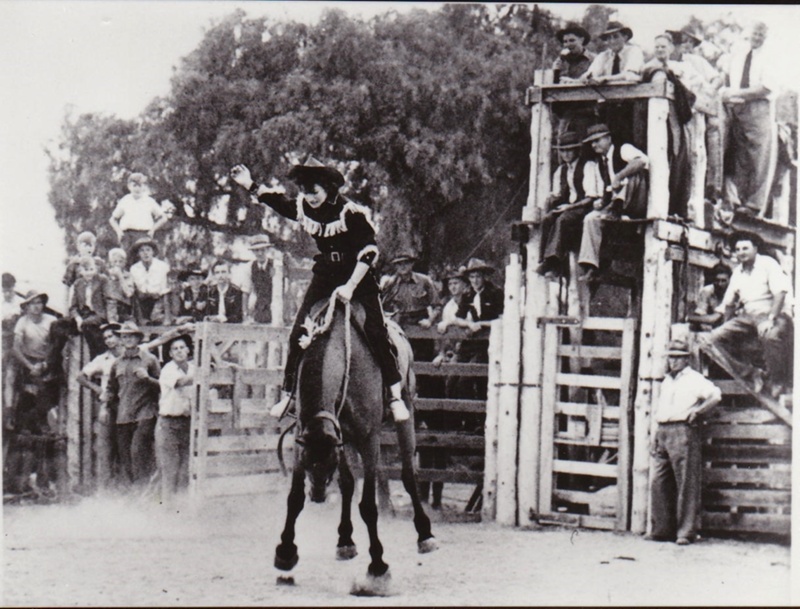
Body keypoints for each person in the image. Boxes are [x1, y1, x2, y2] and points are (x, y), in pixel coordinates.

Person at [230, 157, 410, 422]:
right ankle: (289, 394)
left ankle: (394, 395)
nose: (309, 197)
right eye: (304, 191)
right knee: (298, 332)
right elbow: (280, 203)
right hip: (326, 274)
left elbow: (370, 251)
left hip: (358, 275)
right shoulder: (305, 205)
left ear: (327, 187)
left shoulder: (351, 212)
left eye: (314, 191)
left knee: (375, 330)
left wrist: (350, 287)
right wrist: (250, 184)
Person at [648, 338, 721, 546]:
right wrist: (656, 435)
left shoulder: (694, 379)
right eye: (671, 357)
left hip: (683, 431)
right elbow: (661, 411)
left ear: (686, 359)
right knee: (659, 482)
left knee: (686, 483)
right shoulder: (667, 381)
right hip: (664, 430)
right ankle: (662, 529)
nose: (674, 361)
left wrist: (698, 411)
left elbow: (716, 395)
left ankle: (685, 532)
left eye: (678, 358)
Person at [704, 232, 793, 398]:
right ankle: (751, 372)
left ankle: (777, 380)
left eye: (745, 248)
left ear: (755, 249)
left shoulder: (768, 264)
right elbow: (729, 304)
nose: (741, 252)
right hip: (747, 316)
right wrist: (726, 325)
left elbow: (780, 293)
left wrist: (770, 319)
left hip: (772, 312)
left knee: (770, 335)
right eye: (737, 249)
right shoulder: (737, 272)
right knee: (711, 339)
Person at [577, 123, 649, 282]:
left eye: (598, 140)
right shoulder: (600, 163)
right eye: (592, 142)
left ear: (608, 138)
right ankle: (591, 266)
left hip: (636, 201)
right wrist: (601, 202)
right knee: (590, 218)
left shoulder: (623, 149)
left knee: (632, 174)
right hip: (614, 205)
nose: (594, 145)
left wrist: (619, 176)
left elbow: (642, 161)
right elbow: (607, 189)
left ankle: (617, 209)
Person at [721, 22, 776, 217]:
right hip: (736, 106)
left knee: (758, 156)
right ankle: (739, 201)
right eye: (755, 34)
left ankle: (754, 204)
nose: (757, 38)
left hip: (757, 106)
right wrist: (725, 93)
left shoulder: (769, 56)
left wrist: (736, 93)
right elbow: (726, 78)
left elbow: (765, 88)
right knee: (740, 154)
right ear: (749, 33)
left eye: (761, 35)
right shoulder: (739, 53)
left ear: (765, 36)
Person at [7, 291, 58, 494]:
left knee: (47, 410)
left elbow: (56, 346)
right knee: (22, 399)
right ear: (26, 307)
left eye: (39, 303)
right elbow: (16, 348)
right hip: (28, 365)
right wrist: (30, 366)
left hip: (48, 365)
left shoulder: (51, 320)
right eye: (32, 304)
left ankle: (47, 479)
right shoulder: (22, 323)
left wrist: (46, 364)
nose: (36, 307)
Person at [536, 132, 603, 279]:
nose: (566, 154)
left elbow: (591, 197)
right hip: (568, 207)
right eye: (562, 150)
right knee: (547, 219)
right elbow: (558, 194)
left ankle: (555, 262)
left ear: (576, 150)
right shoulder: (561, 170)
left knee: (563, 220)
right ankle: (545, 260)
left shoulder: (588, 166)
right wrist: (552, 199)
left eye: (569, 150)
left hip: (584, 208)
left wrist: (569, 207)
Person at [105, 321, 161, 489]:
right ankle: (135, 490)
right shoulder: (117, 363)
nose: (128, 339)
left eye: (131, 336)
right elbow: (111, 389)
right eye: (124, 336)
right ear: (121, 340)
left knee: (137, 451)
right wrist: (104, 404)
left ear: (138, 338)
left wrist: (147, 378)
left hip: (145, 413)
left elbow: (163, 385)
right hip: (123, 416)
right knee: (125, 456)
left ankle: (143, 489)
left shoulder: (150, 360)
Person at [76, 323, 124, 490]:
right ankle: (105, 489)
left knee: (126, 449)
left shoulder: (131, 355)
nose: (109, 340)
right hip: (109, 406)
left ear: (119, 336)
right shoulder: (102, 359)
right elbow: (80, 376)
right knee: (105, 448)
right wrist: (97, 389)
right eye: (106, 338)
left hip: (130, 407)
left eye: (111, 336)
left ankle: (125, 488)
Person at [457, 258, 504, 406]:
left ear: (484, 276)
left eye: (478, 276)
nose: (475, 280)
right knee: (456, 377)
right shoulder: (467, 295)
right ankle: (468, 420)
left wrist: (481, 324)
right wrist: (469, 324)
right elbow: (458, 318)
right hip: (470, 344)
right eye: (472, 277)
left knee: (479, 378)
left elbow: (503, 319)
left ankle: (481, 421)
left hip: (488, 343)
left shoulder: (495, 293)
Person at [156, 335, 194, 502]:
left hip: (188, 423)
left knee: (186, 468)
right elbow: (181, 383)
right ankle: (168, 509)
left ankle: (181, 508)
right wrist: (206, 371)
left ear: (188, 350)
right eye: (175, 349)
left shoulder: (193, 368)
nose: (179, 351)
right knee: (170, 468)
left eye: (182, 347)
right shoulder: (168, 370)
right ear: (170, 354)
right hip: (169, 424)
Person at [109, 173, 168, 256]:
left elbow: (163, 218)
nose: (137, 188)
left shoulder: (149, 201)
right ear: (129, 186)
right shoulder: (126, 200)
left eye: (140, 185)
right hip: (128, 235)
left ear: (144, 186)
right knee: (127, 259)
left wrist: (153, 229)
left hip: (144, 235)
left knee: (142, 259)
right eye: (134, 185)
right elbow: (113, 219)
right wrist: (119, 231)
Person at [382, 253, 440, 330]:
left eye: (406, 263)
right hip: (399, 324)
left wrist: (429, 321)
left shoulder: (424, 281)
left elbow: (437, 305)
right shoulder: (391, 283)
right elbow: (381, 305)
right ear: (395, 266)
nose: (402, 266)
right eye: (399, 264)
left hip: (421, 324)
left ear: (412, 264)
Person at [580, 21, 644, 84]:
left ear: (625, 37)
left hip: (633, 92)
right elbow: (592, 74)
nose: (612, 41)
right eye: (609, 38)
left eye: (616, 37)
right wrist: (587, 76)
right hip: (608, 93)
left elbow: (629, 75)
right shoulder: (603, 56)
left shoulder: (634, 51)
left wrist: (605, 78)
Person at [129, 237, 172, 326]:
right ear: (138, 254)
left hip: (159, 299)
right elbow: (135, 289)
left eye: (148, 250)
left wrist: (167, 317)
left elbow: (166, 289)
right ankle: (141, 319)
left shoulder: (162, 266)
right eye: (142, 251)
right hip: (143, 300)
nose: (145, 253)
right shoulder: (134, 268)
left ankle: (170, 318)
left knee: (156, 317)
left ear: (153, 252)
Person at [688, 263, 732, 331]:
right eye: (717, 280)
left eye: (723, 281)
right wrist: (702, 323)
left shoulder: (733, 293)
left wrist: (689, 318)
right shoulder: (707, 291)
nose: (720, 284)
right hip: (712, 328)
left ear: (729, 280)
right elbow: (700, 313)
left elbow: (712, 319)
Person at [242, 235, 276, 324]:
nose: (260, 253)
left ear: (267, 250)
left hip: (275, 306)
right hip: (259, 308)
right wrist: (245, 314)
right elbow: (246, 292)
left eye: (263, 250)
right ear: (253, 252)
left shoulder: (275, 265)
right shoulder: (249, 267)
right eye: (257, 250)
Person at [106, 248, 135, 324]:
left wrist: (120, 276)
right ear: (111, 263)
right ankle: (112, 320)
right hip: (110, 304)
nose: (118, 264)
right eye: (115, 262)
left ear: (125, 263)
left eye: (120, 261)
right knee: (111, 302)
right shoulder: (106, 275)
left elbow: (129, 293)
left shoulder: (128, 276)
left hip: (123, 304)